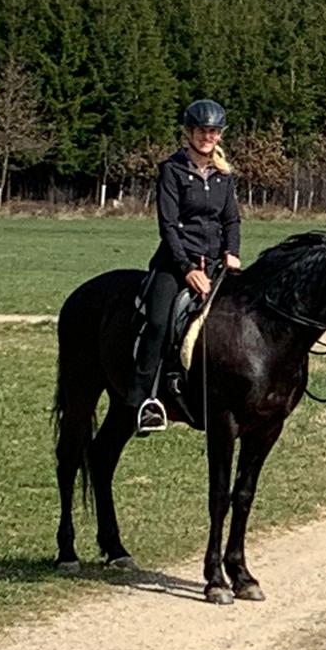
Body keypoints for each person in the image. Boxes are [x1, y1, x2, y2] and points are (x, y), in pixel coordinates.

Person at [130, 99, 242, 433]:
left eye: (213, 131)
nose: (208, 136)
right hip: (176, 264)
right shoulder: (172, 169)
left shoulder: (224, 175)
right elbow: (168, 225)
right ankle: (144, 400)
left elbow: (231, 220)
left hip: (217, 266)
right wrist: (186, 268)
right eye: (202, 130)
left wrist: (232, 252)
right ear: (189, 132)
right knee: (159, 324)